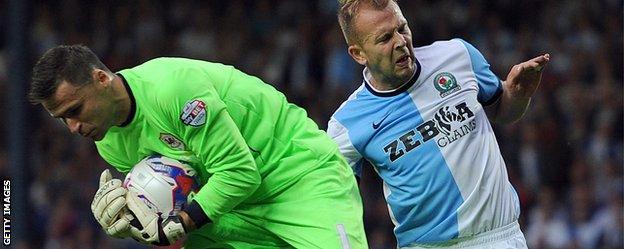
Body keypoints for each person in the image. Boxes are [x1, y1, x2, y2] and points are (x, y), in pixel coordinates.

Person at [28, 45, 369, 248]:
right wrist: (137, 220)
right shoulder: (109, 143)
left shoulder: (172, 89)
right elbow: (175, 200)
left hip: (299, 179)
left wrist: (183, 222)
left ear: (101, 78)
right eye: (62, 119)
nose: (73, 128)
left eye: (75, 111)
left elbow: (239, 172)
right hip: (234, 209)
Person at [327, 0, 550, 248]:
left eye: (402, 28)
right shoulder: (345, 124)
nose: (400, 42)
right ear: (358, 53)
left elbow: (503, 112)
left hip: (500, 237)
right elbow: (335, 203)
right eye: (385, 38)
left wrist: (518, 95)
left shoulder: (457, 55)